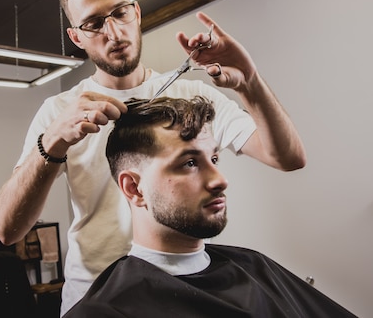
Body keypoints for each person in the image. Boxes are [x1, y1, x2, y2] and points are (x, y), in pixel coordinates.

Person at [0, 0, 307, 315]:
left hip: (188, 289)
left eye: (120, 13)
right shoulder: (58, 111)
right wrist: (51, 142)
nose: (113, 32)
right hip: (96, 297)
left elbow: (287, 157)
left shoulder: (191, 93)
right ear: (77, 37)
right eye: (94, 23)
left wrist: (250, 81)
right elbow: (7, 231)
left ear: (136, 12)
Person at [64, 96, 354, 318]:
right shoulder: (107, 310)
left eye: (214, 159)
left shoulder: (256, 266)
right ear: (134, 188)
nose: (220, 180)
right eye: (189, 163)